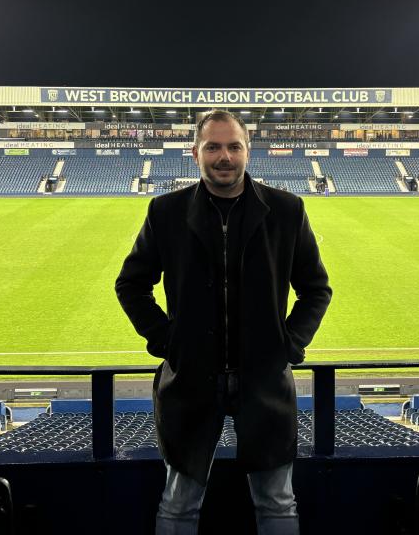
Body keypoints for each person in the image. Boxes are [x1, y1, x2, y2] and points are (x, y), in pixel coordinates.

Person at [116, 109, 332, 535]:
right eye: (213, 146)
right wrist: (166, 340)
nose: (224, 157)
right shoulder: (166, 212)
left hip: (265, 381)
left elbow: (316, 289)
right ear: (195, 152)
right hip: (191, 380)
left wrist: (289, 343)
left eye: (233, 146)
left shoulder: (287, 211)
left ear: (248, 151)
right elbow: (131, 284)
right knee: (178, 503)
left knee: (278, 502)